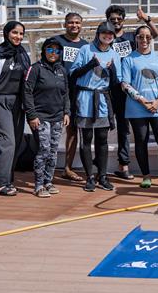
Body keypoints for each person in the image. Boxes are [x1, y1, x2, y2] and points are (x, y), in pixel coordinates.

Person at [106, 4, 158, 181]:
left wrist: (146, 18)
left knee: (124, 129)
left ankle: (124, 166)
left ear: (123, 20)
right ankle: (99, 167)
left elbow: (155, 34)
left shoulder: (131, 37)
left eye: (119, 18)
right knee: (106, 126)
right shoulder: (106, 37)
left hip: (130, 89)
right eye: (112, 19)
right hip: (110, 87)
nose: (116, 22)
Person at [119, 25, 158, 190]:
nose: (144, 40)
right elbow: (125, 84)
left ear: (152, 39)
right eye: (140, 37)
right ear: (135, 39)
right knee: (140, 142)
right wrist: (142, 100)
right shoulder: (129, 59)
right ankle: (146, 176)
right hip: (136, 108)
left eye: (147, 37)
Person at [0, 21, 30, 196]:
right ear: (7, 33)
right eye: (15, 33)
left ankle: (7, 179)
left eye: (21, 34)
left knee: (15, 142)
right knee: (6, 141)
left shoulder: (23, 54)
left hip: (18, 102)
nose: (18, 37)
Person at [71, 22, 122, 192]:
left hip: (102, 100)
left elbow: (116, 82)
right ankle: (89, 177)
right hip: (85, 99)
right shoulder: (85, 50)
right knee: (86, 140)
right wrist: (90, 64)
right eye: (104, 33)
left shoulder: (114, 54)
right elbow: (73, 73)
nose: (107, 36)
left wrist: (112, 68)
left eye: (111, 34)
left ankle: (103, 176)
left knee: (102, 140)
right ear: (98, 33)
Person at [23, 37, 70, 198]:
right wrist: (31, 115)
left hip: (57, 117)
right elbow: (27, 92)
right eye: (50, 50)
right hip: (40, 117)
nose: (53, 53)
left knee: (53, 151)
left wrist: (66, 112)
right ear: (44, 51)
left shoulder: (61, 70)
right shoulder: (35, 68)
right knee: (43, 150)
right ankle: (38, 185)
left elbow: (66, 93)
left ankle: (48, 182)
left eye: (57, 51)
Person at [53, 12, 89, 182]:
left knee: (73, 130)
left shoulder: (86, 46)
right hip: (57, 92)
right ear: (64, 24)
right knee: (51, 129)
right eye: (70, 22)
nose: (74, 25)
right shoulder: (56, 42)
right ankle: (46, 167)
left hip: (78, 93)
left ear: (81, 25)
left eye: (77, 22)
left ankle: (67, 168)